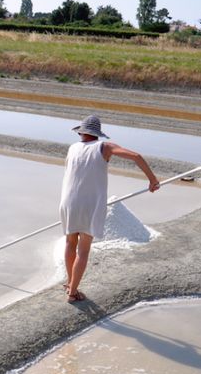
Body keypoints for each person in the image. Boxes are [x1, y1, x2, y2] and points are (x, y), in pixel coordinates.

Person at [59, 115, 160, 303]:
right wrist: (152, 180)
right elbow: (136, 156)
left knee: (70, 243)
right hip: (90, 203)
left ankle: (70, 283)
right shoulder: (104, 147)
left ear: (81, 132)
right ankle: (73, 293)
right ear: (97, 134)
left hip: (68, 201)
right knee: (83, 249)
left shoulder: (72, 148)